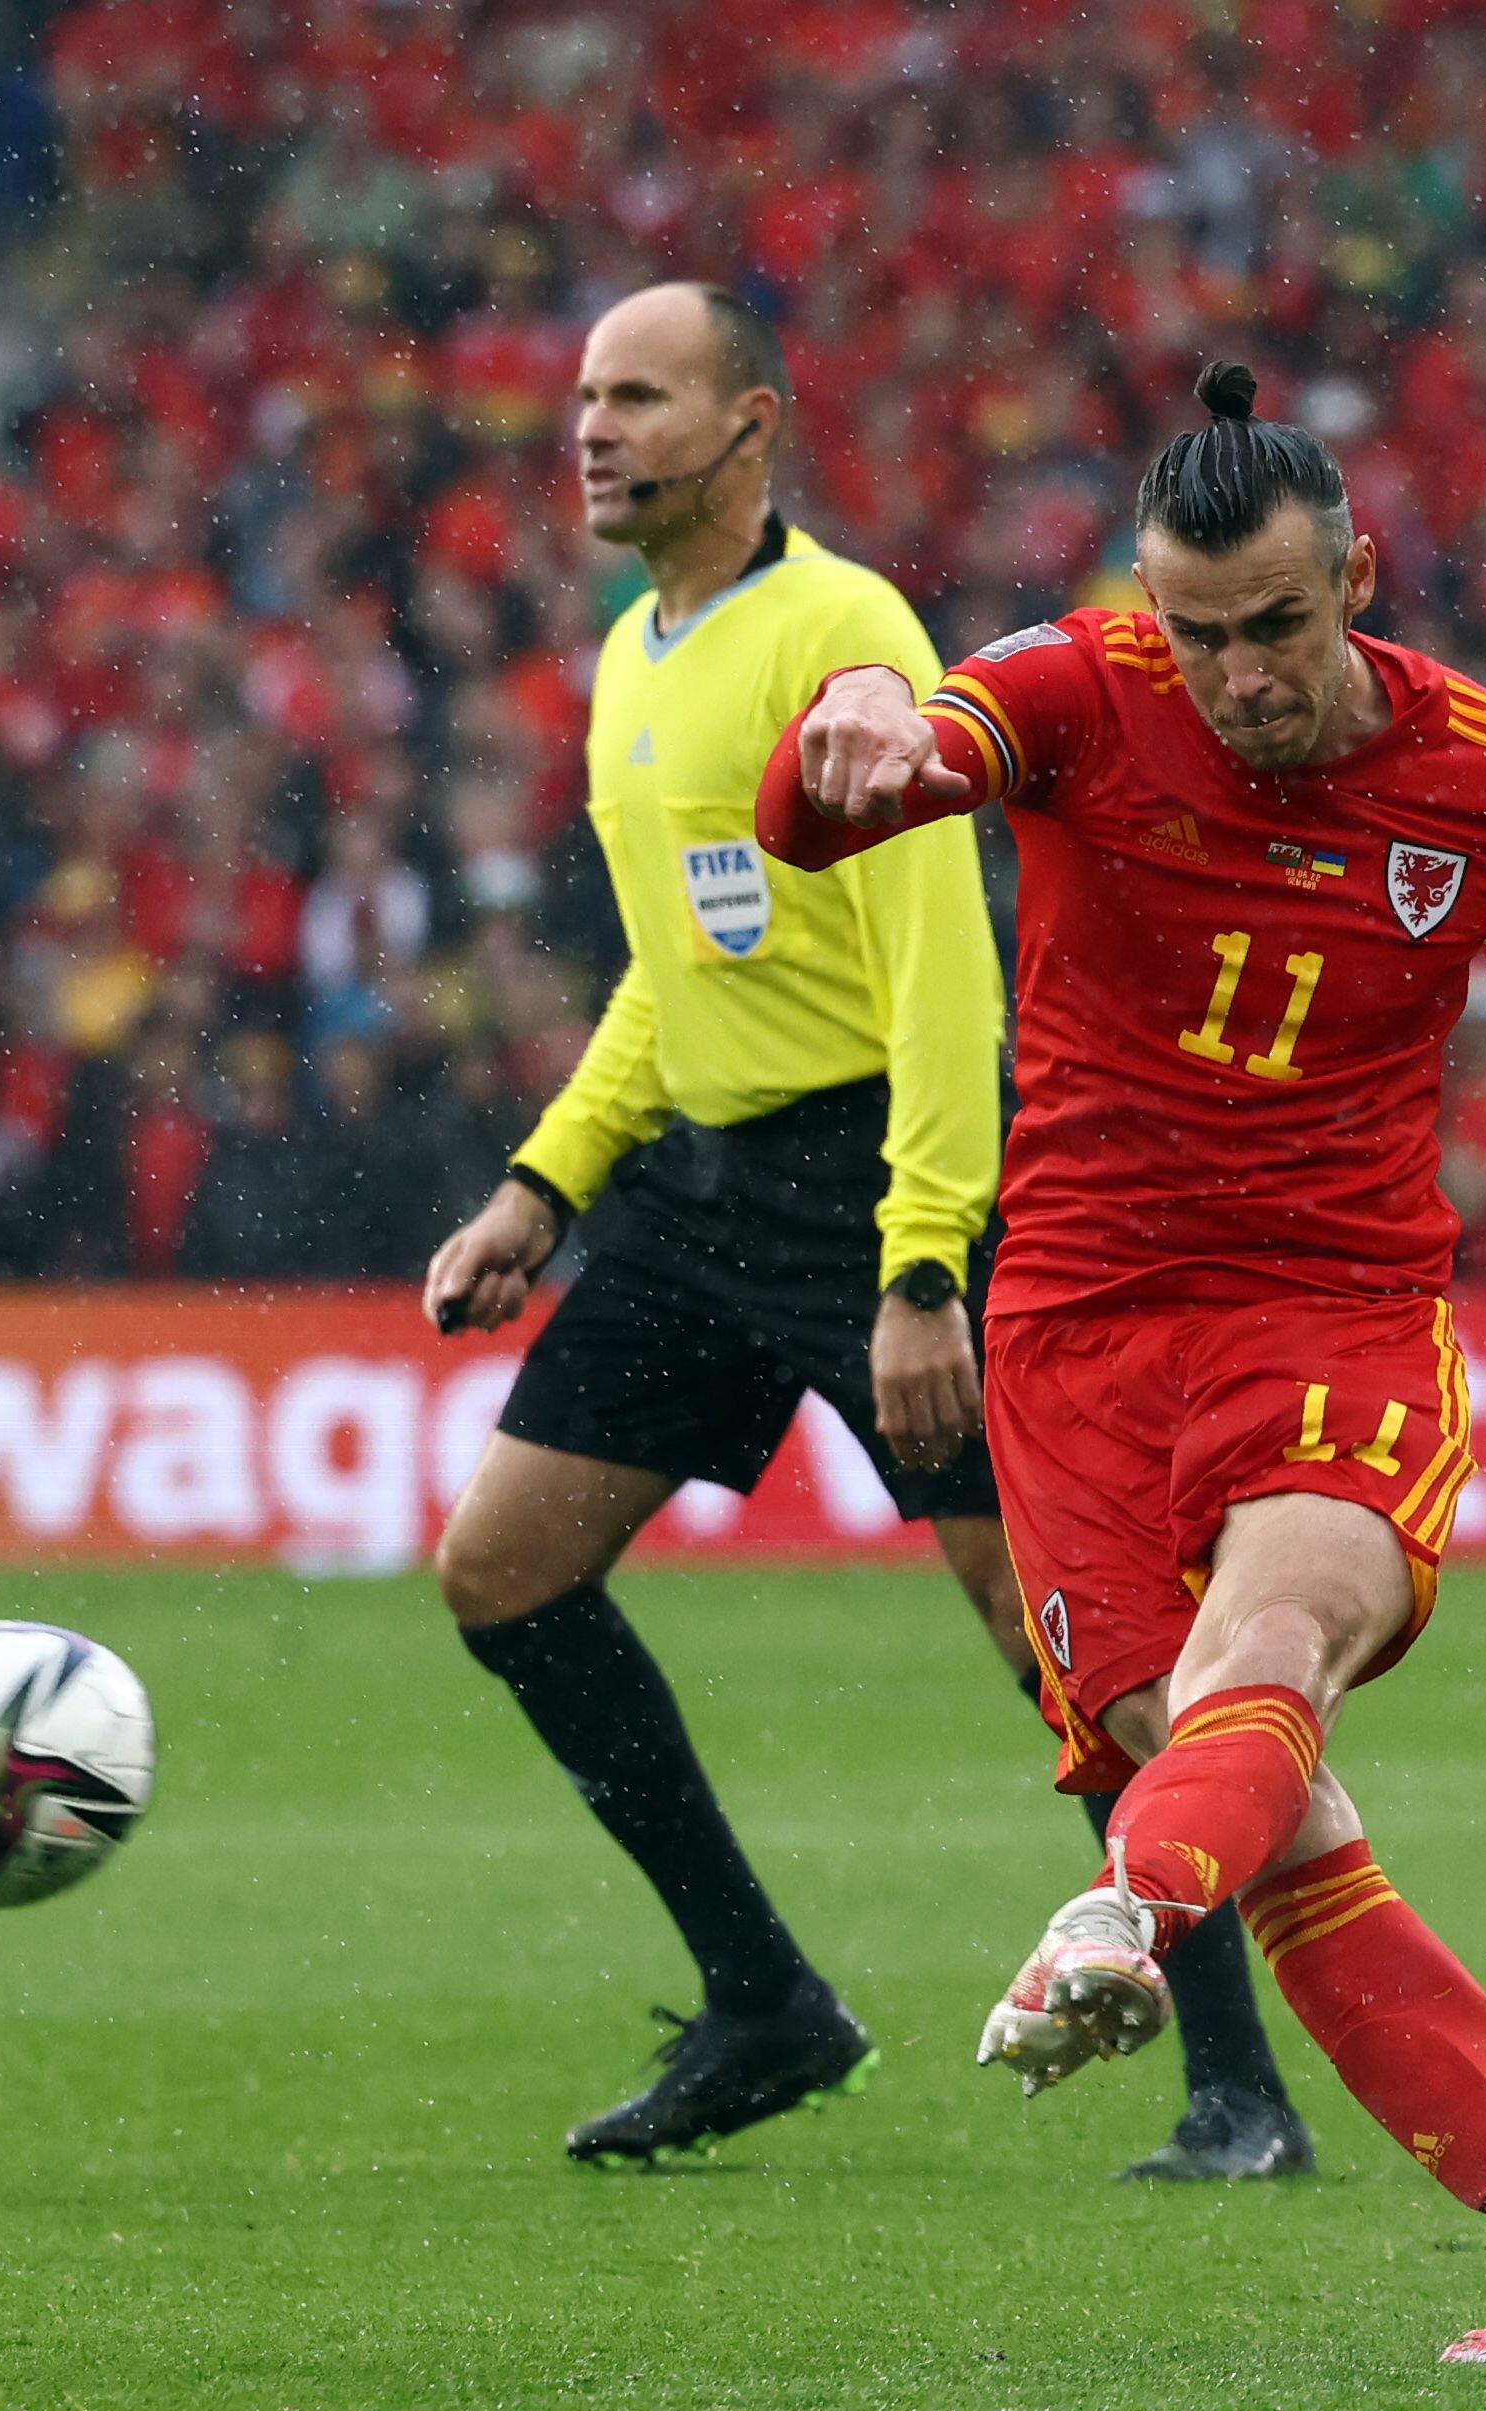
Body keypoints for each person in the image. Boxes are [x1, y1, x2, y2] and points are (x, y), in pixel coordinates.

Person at [760, 364, 1486, 2364]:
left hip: (1335, 1305)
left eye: (1274, 626)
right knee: (1265, 1811)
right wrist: (839, 731)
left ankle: (1118, 1911)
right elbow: (839, 797)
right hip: (1079, 1330)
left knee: (1260, 1660)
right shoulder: (1064, 692)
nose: (1232, 676)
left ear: (1353, 575)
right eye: (1193, 632)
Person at [423, 286, 1312, 2176]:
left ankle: (1237, 2081)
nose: (591, 428)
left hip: (874, 1189)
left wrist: (924, 1264)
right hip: (695, 1202)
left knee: (1062, 1641)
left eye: (637, 397)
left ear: (750, 425)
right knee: (498, 1567)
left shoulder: (841, 633)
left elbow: (938, 977)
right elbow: (672, 978)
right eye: (582, 394)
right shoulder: (627, 655)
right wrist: (545, 1180)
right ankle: (763, 1999)